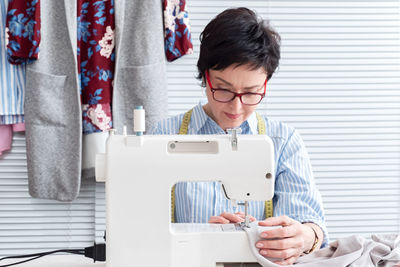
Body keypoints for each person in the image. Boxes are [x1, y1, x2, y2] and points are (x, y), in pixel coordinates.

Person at [149, 7, 328, 265]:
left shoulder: (284, 141)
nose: (236, 108)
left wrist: (304, 237)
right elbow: (143, 230)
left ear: (265, 83)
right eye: (223, 89)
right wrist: (198, 236)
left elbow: (313, 226)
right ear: (205, 77)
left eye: (251, 92)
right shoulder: (162, 137)